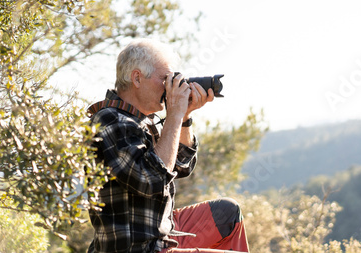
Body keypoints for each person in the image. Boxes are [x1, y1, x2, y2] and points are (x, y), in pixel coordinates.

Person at [86, 39, 249, 253]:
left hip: (161, 235)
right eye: (165, 78)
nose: (170, 86)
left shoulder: (143, 120)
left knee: (228, 213)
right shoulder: (110, 120)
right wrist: (173, 115)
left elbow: (180, 166)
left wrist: (184, 116)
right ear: (137, 78)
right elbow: (150, 180)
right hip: (138, 247)